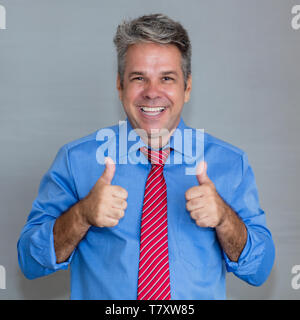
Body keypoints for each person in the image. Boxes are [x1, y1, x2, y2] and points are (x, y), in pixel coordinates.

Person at [17, 13, 275, 300]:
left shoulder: (230, 164)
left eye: (167, 78)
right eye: (139, 78)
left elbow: (259, 271)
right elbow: (30, 262)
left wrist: (225, 218)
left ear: (187, 87)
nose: (152, 93)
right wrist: (81, 215)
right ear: (120, 86)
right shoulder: (76, 160)